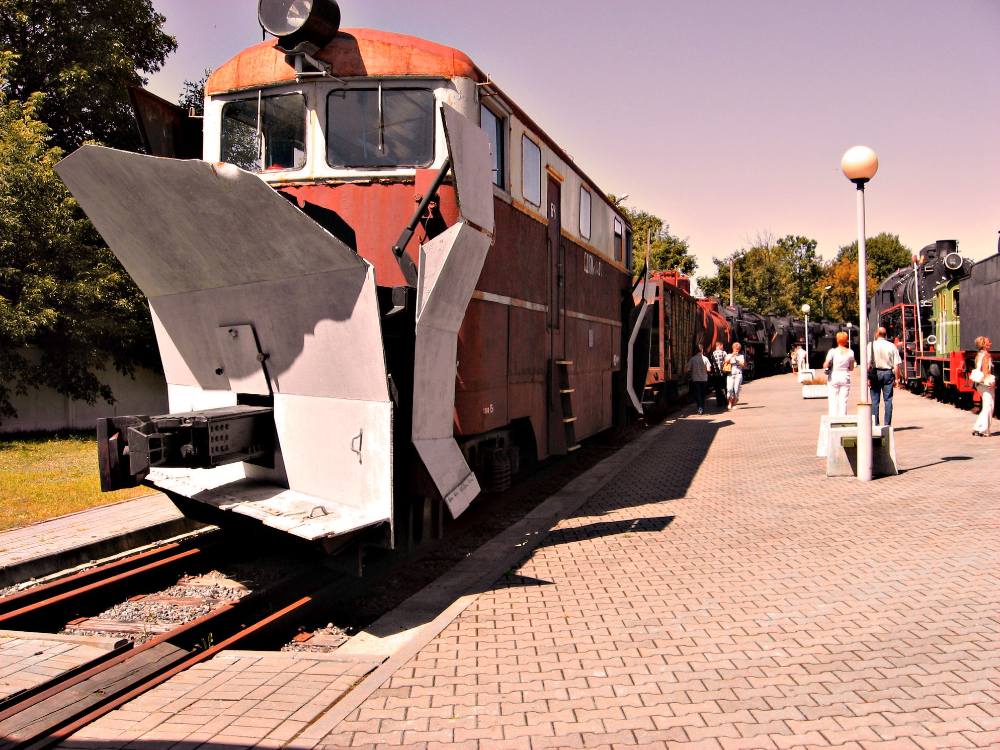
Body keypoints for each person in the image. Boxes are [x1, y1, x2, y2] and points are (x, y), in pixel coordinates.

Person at [869, 327, 902, 426]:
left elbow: (868, 363)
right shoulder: (892, 346)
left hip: (875, 374)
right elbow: (896, 365)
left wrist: (867, 377)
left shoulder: (871, 345)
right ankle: (887, 425)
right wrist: (897, 379)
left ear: (877, 334)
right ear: (885, 334)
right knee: (888, 400)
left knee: (875, 401)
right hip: (888, 373)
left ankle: (875, 424)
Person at [823, 331, 856, 416]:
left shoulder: (832, 351)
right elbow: (851, 368)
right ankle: (842, 418)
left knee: (833, 399)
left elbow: (825, 365)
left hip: (834, 376)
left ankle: (833, 418)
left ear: (837, 340)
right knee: (843, 399)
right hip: (845, 376)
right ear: (846, 340)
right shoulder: (850, 352)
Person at [972, 336, 995, 437]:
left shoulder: (979, 355)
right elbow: (986, 369)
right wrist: (990, 381)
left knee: (985, 405)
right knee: (989, 406)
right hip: (985, 383)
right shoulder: (987, 356)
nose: (991, 344)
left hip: (979, 384)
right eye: (989, 342)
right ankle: (984, 429)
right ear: (984, 345)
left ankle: (978, 427)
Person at [686, 344, 711, 414]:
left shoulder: (692, 359)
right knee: (703, 394)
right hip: (704, 379)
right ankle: (702, 407)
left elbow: (687, 369)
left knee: (698, 394)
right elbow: (709, 369)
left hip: (696, 379)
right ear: (702, 350)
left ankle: (700, 408)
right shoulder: (705, 359)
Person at [724, 343, 745, 410]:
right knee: (729, 388)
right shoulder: (729, 355)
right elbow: (725, 362)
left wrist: (736, 359)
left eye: (738, 349)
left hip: (738, 374)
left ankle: (734, 404)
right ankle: (730, 402)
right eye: (735, 349)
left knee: (736, 389)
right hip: (730, 374)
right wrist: (732, 356)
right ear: (733, 348)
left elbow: (743, 364)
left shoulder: (741, 356)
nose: (736, 350)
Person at [710, 341, 727, 407]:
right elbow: (722, 363)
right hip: (722, 373)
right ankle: (725, 401)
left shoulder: (712, 353)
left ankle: (719, 402)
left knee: (717, 388)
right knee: (724, 387)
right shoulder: (723, 353)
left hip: (715, 374)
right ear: (720, 345)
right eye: (722, 346)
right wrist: (722, 372)